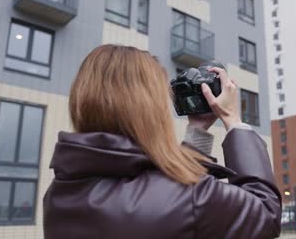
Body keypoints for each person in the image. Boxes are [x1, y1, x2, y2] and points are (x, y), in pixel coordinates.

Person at [43, 45, 281, 239]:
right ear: (148, 108)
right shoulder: (189, 198)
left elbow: (162, 185)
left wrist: (197, 130)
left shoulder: (57, 196)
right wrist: (233, 120)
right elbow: (266, 214)